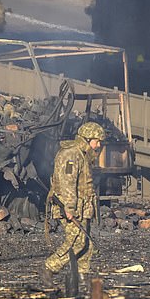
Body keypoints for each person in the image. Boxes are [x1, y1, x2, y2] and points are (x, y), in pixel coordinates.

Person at [40, 121, 106, 287]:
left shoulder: (82, 154)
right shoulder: (71, 155)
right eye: (96, 141)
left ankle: (83, 275)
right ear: (86, 139)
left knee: (87, 243)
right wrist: (69, 208)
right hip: (69, 206)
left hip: (82, 207)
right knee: (76, 241)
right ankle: (49, 268)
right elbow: (67, 184)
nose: (99, 145)